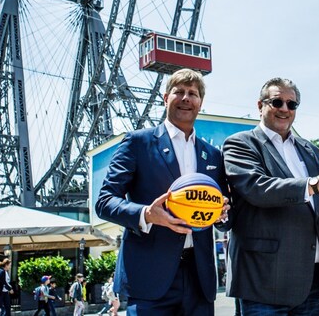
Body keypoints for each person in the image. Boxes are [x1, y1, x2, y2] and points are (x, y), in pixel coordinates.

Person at [95, 69, 230, 315]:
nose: (186, 98)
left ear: (201, 102)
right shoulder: (137, 142)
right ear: (165, 98)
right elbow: (104, 201)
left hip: (200, 278)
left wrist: (222, 214)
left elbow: (223, 214)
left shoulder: (212, 155)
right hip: (149, 278)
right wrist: (147, 214)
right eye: (179, 92)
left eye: (193, 93)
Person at [222, 77, 319, 315]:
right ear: (260, 105)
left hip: (313, 281)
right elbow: (258, 188)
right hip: (263, 280)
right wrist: (313, 184)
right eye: (277, 102)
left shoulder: (310, 150)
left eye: (291, 105)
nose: (284, 109)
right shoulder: (240, 144)